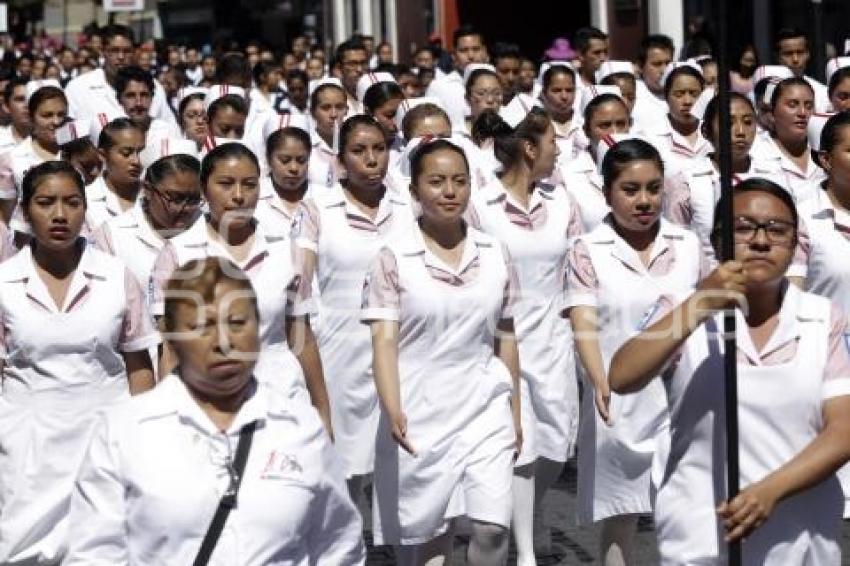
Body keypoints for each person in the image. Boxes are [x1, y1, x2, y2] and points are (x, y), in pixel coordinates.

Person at [609, 178, 850, 565]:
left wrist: (768, 492)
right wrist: (701, 302)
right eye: (743, 228)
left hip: (801, 532)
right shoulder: (682, 307)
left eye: (776, 230)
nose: (760, 241)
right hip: (703, 530)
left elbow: (842, 431)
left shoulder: (822, 318)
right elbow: (622, 375)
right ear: (717, 243)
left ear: (795, 245)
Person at [65, 257, 365, 565]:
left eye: (237, 323)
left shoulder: (299, 428)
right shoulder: (125, 432)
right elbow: (94, 554)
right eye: (202, 326)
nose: (224, 342)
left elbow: (338, 547)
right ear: (172, 338)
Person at [364, 138, 520, 565]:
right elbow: (383, 341)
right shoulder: (393, 257)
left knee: (491, 527)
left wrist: (516, 411)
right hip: (421, 408)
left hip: (485, 405)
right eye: (436, 182)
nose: (449, 192)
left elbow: (506, 335)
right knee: (431, 541)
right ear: (414, 192)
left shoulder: (494, 252)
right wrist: (392, 406)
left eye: (459, 181)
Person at [0, 160, 158, 564]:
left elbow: (140, 366)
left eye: (71, 202)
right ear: (25, 209)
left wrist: (144, 439)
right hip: (25, 449)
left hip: (103, 439)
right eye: (45, 202)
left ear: (85, 209)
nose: (59, 214)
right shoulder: (4, 282)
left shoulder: (116, 277)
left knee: (101, 547)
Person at [564, 139, 704, 566]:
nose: (644, 201)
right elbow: (583, 322)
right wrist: (599, 380)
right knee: (620, 511)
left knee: (684, 510)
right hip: (618, 393)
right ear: (607, 192)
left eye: (653, 188)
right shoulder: (587, 250)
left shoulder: (688, 244)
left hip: (683, 396)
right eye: (630, 190)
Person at [149, 142, 332, 434]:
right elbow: (170, 349)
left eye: (249, 185)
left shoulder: (284, 249)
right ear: (204, 189)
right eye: (225, 184)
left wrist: (322, 410)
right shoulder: (179, 254)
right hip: (206, 405)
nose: (238, 196)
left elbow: (302, 337)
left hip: (282, 399)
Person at [469, 109, 582, 565]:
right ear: (529, 148)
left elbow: (576, 270)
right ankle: (527, 552)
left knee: (558, 442)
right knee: (520, 444)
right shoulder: (481, 204)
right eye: (553, 140)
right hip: (503, 341)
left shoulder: (563, 202)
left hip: (554, 341)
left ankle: (531, 511)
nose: (559, 148)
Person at [294, 114, 415, 500]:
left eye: (379, 149)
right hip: (339, 355)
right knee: (342, 470)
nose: (372, 159)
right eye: (359, 151)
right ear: (340, 161)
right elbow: (300, 284)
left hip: (403, 353)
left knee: (403, 468)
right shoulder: (318, 208)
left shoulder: (408, 204)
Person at [665, 93, 775, 258]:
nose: (740, 132)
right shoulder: (687, 182)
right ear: (706, 131)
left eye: (748, 122)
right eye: (728, 123)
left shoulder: (774, 177)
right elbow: (677, 245)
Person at [92, 152, 202, 287]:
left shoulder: (210, 230)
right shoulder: (112, 236)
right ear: (148, 190)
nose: (186, 208)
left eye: (194, 199)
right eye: (176, 198)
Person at [65, 25, 176, 126]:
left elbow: (170, 130)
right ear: (103, 51)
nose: (121, 56)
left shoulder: (153, 87)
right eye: (114, 50)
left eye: (127, 51)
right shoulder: (78, 89)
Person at [560, 92, 631, 231]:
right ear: (586, 130)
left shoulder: (646, 169)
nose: (614, 132)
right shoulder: (567, 176)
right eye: (605, 125)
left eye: (621, 124)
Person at [1, 85, 67, 231]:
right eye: (47, 115)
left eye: (61, 114)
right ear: (31, 117)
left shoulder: (76, 155)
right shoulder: (12, 159)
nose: (56, 121)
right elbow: (6, 217)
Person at [759, 77, 824, 202]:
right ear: (772, 112)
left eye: (809, 106)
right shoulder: (756, 153)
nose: (802, 113)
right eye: (792, 105)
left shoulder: (825, 150)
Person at [644, 62, 711, 172]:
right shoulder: (650, 139)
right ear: (666, 96)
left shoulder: (716, 134)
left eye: (694, 94)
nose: (688, 101)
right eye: (679, 94)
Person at [114, 65, 181, 169]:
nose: (139, 103)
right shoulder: (113, 134)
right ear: (119, 99)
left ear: (152, 97)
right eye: (131, 95)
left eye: (144, 95)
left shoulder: (168, 131)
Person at [85, 117, 145, 231]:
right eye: (126, 153)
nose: (136, 161)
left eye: (141, 152)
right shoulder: (85, 200)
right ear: (102, 155)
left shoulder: (154, 196)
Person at [426, 26, 488, 133]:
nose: (471, 55)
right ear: (454, 55)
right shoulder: (439, 87)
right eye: (464, 50)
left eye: (476, 49)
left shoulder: (496, 83)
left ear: (484, 51)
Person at [255, 126, 312, 238]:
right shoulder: (254, 197)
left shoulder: (324, 198)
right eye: (285, 160)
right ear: (268, 159)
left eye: (301, 160)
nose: (294, 168)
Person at [775, 28, 830, 113]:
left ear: (808, 54)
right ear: (778, 58)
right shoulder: (766, 92)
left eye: (800, 52)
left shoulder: (823, 93)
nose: (795, 59)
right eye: (788, 54)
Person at [308, 78, 348, 187]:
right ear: (312, 112)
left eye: (339, 107)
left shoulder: (353, 145)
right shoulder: (306, 149)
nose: (334, 114)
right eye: (326, 108)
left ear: (346, 110)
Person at [538, 64, 581, 164]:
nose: (564, 96)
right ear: (544, 93)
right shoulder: (537, 127)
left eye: (569, 90)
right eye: (556, 90)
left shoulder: (584, 123)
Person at [632, 34, 674, 133]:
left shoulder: (682, 93)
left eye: (668, 63)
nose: (664, 70)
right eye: (657, 64)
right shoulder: (632, 96)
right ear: (640, 66)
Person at [464, 66, 502, 134]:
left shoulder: (510, 136)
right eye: (481, 93)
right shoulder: (456, 137)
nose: (490, 100)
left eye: (496, 93)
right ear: (468, 98)